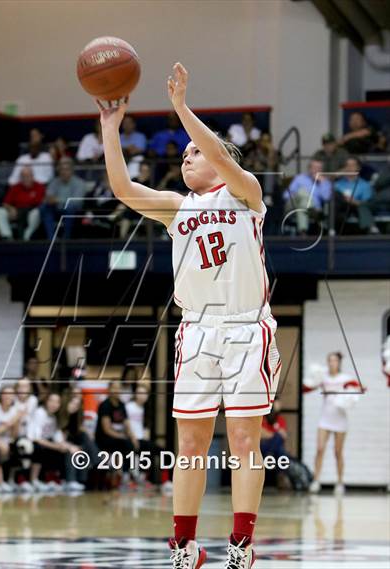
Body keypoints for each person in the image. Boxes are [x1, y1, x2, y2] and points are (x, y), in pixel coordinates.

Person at [96, 61, 282, 569]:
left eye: (193, 151)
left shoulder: (247, 194)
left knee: (244, 438)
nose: (187, 158)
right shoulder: (178, 208)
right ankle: (185, 549)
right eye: (182, 153)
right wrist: (111, 130)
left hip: (246, 328)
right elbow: (123, 190)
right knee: (191, 443)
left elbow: (221, 156)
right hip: (197, 331)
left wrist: (181, 108)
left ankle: (241, 547)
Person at [304, 352, 361, 495]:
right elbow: (307, 388)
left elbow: (359, 388)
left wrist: (352, 396)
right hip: (325, 418)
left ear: (339, 362)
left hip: (340, 419)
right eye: (329, 360)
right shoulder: (323, 377)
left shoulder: (345, 378)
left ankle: (340, 482)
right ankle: (316, 481)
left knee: (337, 452)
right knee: (320, 449)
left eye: (334, 360)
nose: (332, 363)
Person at [27, 392, 84, 492]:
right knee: (40, 448)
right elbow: (36, 438)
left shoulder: (53, 418)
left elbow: (58, 439)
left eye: (57, 402)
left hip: (46, 443)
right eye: (51, 401)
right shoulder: (39, 413)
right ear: (46, 402)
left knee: (68, 450)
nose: (53, 404)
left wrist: (71, 447)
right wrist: (56, 446)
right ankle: (33, 480)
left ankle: (63, 480)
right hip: (31, 442)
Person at [95, 380, 139, 485]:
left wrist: (133, 437)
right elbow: (106, 429)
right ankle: (124, 474)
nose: (117, 390)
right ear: (109, 390)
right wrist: (123, 437)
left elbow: (127, 424)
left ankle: (128, 473)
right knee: (125, 444)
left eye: (119, 388)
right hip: (104, 438)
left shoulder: (122, 405)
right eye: (114, 388)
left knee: (133, 444)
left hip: (119, 437)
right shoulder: (105, 405)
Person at [59, 386, 100, 485]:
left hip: (71, 439)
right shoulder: (61, 414)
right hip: (60, 441)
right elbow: (60, 436)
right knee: (77, 447)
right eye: (73, 401)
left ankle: (83, 479)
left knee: (84, 442)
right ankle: (98, 461)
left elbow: (78, 428)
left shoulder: (77, 414)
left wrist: (88, 433)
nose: (75, 406)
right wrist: (70, 446)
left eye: (77, 404)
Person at [0, 166, 45, 240]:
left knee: (37, 212)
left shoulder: (39, 187)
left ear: (32, 176)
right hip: (16, 211)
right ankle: (7, 236)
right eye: (23, 176)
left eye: (28, 176)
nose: (26, 178)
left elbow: (41, 203)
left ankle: (27, 236)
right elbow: (5, 203)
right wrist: (11, 209)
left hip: (32, 211)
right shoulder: (15, 187)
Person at [40, 157, 87, 239]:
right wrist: (50, 200)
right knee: (44, 207)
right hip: (56, 209)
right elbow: (49, 196)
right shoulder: (54, 181)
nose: (64, 172)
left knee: (70, 207)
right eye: (61, 169)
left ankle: (66, 239)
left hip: (73, 211)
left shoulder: (80, 183)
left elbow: (76, 202)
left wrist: (57, 200)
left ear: (72, 170)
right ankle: (51, 238)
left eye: (66, 169)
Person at [283, 159, 332, 234]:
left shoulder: (325, 182)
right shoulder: (299, 178)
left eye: (319, 168)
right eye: (314, 168)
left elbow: (326, 198)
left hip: (303, 208)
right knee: (302, 192)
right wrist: (298, 195)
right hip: (294, 204)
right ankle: (310, 208)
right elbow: (286, 195)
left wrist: (322, 183)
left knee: (303, 205)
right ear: (309, 168)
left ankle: (303, 232)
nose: (316, 170)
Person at [334, 156, 373, 233]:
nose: (349, 168)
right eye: (347, 165)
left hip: (356, 208)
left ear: (358, 168)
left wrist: (353, 201)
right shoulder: (337, 184)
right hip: (341, 210)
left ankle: (370, 229)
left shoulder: (364, 185)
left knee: (361, 208)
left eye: (352, 165)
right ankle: (331, 230)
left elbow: (367, 203)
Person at [358, 160, 390, 234]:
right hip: (380, 199)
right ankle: (372, 228)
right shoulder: (385, 170)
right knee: (363, 205)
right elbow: (378, 183)